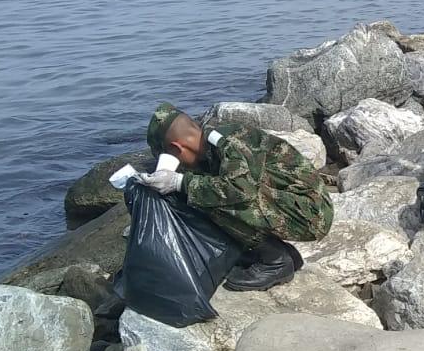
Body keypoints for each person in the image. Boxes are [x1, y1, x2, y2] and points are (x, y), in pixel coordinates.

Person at [136, 103, 333, 291]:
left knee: (214, 199)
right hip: (290, 203)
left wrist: (179, 182)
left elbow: (240, 190)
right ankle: (281, 253)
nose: (182, 166)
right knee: (202, 191)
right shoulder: (210, 142)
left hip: (311, 212)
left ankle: (276, 261)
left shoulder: (229, 142)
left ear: (178, 148)